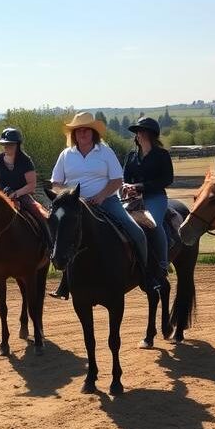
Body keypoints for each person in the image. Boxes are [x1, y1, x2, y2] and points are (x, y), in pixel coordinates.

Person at [48, 111, 158, 299]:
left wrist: (100, 196)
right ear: (73, 134)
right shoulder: (66, 155)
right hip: (75, 206)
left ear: (93, 133)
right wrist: (67, 197)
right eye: (78, 130)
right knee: (62, 236)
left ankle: (147, 275)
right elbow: (56, 183)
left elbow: (116, 180)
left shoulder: (105, 151)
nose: (82, 134)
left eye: (86, 130)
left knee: (137, 233)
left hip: (106, 201)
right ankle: (65, 282)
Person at [0, 126, 49, 274]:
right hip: (1, 198)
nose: (7, 146)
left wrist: (16, 193)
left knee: (41, 213)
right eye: (4, 144)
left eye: (10, 144)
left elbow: (32, 185)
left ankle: (50, 247)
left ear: (17, 145)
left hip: (23, 194)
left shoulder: (25, 161)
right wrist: (4, 195)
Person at [122, 117, 174, 279]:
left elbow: (167, 179)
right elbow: (124, 178)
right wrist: (126, 188)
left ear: (151, 134)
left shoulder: (162, 155)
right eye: (138, 132)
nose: (139, 134)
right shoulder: (131, 156)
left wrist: (140, 187)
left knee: (154, 225)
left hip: (155, 197)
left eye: (142, 131)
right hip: (131, 199)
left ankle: (163, 264)